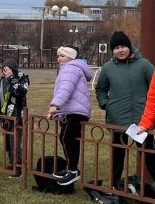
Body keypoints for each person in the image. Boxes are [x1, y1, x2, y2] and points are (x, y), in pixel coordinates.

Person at [95, 31, 154, 187]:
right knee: (117, 154)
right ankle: (114, 185)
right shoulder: (107, 68)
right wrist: (106, 104)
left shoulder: (144, 65)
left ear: (129, 47)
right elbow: (101, 89)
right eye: (116, 48)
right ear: (112, 50)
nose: (120, 50)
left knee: (149, 154)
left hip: (141, 121)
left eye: (123, 46)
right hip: (117, 119)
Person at [47, 46, 92, 186]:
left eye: (62, 55)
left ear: (71, 57)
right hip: (71, 110)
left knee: (68, 138)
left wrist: (56, 105)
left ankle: (73, 171)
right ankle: (70, 168)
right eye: (58, 56)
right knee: (65, 138)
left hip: (75, 111)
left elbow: (66, 88)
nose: (59, 58)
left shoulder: (71, 68)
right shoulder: (69, 68)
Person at [0, 59, 30, 178]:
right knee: (8, 143)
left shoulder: (22, 78)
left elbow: (21, 92)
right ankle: (11, 163)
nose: (5, 71)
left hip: (17, 116)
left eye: (7, 68)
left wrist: (12, 79)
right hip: (5, 117)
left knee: (15, 143)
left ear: (13, 69)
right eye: (3, 69)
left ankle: (18, 169)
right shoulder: (0, 81)